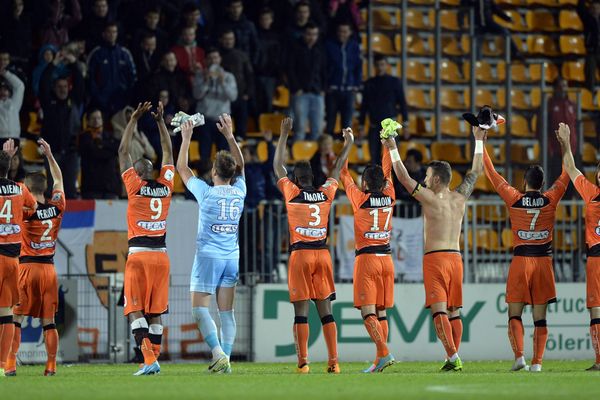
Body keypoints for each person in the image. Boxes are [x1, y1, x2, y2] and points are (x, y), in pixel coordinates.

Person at [383, 124, 485, 371]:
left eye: (427, 176)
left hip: (436, 259)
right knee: (454, 311)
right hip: (456, 259)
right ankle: (453, 356)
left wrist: (393, 146)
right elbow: (476, 171)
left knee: (439, 310)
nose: (425, 180)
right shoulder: (461, 197)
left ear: (437, 180)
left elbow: (404, 177)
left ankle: (452, 357)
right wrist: (479, 140)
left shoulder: (428, 197)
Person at [483, 125, 569, 373]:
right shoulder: (551, 198)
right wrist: (565, 144)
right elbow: (567, 173)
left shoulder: (514, 198)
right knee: (540, 318)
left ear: (524, 182)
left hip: (521, 261)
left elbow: (491, 173)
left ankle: (519, 356)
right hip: (543, 261)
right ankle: (538, 363)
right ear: (542, 184)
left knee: (514, 313)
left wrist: (482, 143)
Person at [273, 117, 353, 374]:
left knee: (301, 313)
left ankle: (303, 363)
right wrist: (348, 144)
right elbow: (338, 168)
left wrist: (284, 134)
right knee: (326, 312)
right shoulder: (326, 193)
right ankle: (334, 362)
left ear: (296, 178)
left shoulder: (292, 192)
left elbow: (277, 166)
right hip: (322, 255)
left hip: (301, 255)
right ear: (313, 177)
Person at [176, 114, 246, 374]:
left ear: (214, 172)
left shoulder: (205, 192)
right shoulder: (240, 190)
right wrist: (229, 136)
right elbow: (242, 165)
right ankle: (225, 361)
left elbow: (182, 169)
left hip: (208, 257)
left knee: (199, 309)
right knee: (227, 313)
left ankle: (218, 353)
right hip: (232, 257)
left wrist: (186, 138)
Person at [118, 101, 174, 376]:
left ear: (137, 173)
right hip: (161, 256)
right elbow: (169, 153)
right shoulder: (165, 186)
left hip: (139, 255)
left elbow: (122, 150)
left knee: (135, 310)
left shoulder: (134, 186)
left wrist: (134, 120)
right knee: (156, 312)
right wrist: (161, 122)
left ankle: (149, 359)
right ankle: (151, 361)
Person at [6, 139, 65, 377]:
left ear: (27, 190)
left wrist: (8, 160)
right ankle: (50, 366)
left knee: (14, 319)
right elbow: (59, 179)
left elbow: (7, 191)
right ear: (45, 188)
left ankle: (10, 364)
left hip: (26, 268)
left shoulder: (24, 209)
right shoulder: (57, 207)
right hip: (49, 270)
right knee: (48, 322)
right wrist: (50, 156)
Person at [340, 136, 396, 373]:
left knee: (367, 312)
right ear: (383, 184)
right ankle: (379, 358)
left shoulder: (359, 199)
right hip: (387, 259)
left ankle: (384, 353)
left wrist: (348, 144)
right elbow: (388, 169)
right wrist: (386, 144)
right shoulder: (390, 195)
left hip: (367, 260)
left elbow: (343, 173)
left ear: (364, 183)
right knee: (381, 311)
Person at [556, 122, 600, 371]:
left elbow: (572, 168)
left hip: (596, 260)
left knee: (596, 310)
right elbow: (570, 168)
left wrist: (566, 141)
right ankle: (599, 360)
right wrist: (566, 143)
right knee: (596, 310)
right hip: (595, 258)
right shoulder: (591, 193)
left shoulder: (592, 194)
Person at [0, 139, 36, 377]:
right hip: (12, 260)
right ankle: (4, 365)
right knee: (7, 313)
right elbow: (31, 208)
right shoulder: (20, 189)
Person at [39, 57, 84, 199]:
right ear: (54, 88)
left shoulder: (75, 101)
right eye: (59, 87)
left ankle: (71, 221)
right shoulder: (48, 102)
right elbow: (43, 83)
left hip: (71, 153)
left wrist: (73, 63)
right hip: (52, 153)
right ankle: (54, 219)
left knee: (70, 190)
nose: (62, 90)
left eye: (65, 87)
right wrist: (52, 64)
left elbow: (80, 84)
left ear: (69, 88)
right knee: (54, 190)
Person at [359, 54, 408, 162]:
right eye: (377, 65)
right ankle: (376, 179)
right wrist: (361, 125)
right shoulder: (369, 83)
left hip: (390, 127)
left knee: (394, 158)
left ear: (387, 66)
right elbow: (364, 106)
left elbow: (403, 103)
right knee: (374, 158)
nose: (380, 67)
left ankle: (392, 179)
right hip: (374, 126)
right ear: (374, 66)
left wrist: (405, 124)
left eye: (382, 65)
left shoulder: (395, 82)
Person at [192, 47, 238, 160]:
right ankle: (204, 175)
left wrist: (223, 83)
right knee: (204, 154)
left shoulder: (228, 76)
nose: (213, 61)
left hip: (223, 121)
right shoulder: (200, 75)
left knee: (223, 156)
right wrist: (206, 81)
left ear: (220, 59)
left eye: (215, 57)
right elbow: (197, 95)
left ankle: (222, 177)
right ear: (206, 60)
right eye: (210, 58)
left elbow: (233, 97)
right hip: (205, 120)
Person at [87, 22, 136, 116]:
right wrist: (98, 96)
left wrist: (127, 96)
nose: (112, 34)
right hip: (101, 102)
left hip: (122, 101)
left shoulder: (124, 53)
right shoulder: (96, 53)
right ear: (103, 34)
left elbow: (132, 77)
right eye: (109, 32)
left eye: (114, 32)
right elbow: (90, 77)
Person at [287, 23, 327, 141]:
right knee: (299, 129)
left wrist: (323, 89)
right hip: (301, 93)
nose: (311, 37)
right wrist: (296, 88)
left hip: (317, 93)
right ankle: (299, 158)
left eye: (314, 34)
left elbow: (325, 70)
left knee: (317, 130)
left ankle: (316, 159)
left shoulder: (320, 49)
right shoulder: (295, 48)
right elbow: (290, 69)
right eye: (309, 34)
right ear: (304, 34)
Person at [541, 78, 580, 187]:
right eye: (561, 86)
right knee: (557, 184)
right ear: (555, 88)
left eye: (565, 85)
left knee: (574, 185)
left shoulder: (571, 104)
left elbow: (576, 127)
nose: (563, 88)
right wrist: (549, 148)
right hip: (556, 152)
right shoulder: (549, 105)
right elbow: (544, 128)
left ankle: (570, 204)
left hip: (572, 150)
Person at [325, 22, 361, 136]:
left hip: (348, 91)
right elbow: (324, 67)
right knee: (330, 121)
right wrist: (327, 84)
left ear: (350, 32)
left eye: (345, 31)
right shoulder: (329, 45)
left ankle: (345, 151)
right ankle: (328, 150)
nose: (342, 34)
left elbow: (358, 66)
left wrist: (356, 85)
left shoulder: (354, 46)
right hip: (333, 90)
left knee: (347, 125)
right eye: (340, 31)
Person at [219, 29, 254, 139]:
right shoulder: (217, 56)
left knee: (241, 128)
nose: (228, 41)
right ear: (221, 40)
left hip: (240, 96)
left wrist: (248, 93)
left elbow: (249, 76)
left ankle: (240, 145)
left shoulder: (242, 55)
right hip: (222, 99)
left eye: (231, 39)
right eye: (226, 39)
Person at [78, 109, 120, 199]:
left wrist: (101, 144)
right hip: (91, 189)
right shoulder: (84, 137)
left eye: (98, 118)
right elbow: (94, 153)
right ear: (88, 121)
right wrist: (108, 151)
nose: (96, 120)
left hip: (110, 188)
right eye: (93, 118)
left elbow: (117, 149)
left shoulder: (109, 136)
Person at [255, 7, 281, 115]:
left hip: (271, 75)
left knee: (269, 102)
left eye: (267, 19)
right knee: (257, 102)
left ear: (271, 20)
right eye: (263, 19)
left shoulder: (277, 37)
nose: (265, 21)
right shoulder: (255, 35)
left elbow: (279, 56)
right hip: (257, 73)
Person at [224, 0, 259, 66]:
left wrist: (253, 63)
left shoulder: (249, 25)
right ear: (228, 8)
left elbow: (256, 46)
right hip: (228, 62)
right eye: (233, 7)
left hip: (246, 62)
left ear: (242, 8)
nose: (236, 10)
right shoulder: (223, 25)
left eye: (238, 6)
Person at [577, 0, 600, 90]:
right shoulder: (587, 19)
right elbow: (580, 8)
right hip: (591, 52)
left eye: (597, 8)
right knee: (590, 74)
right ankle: (589, 95)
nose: (595, 10)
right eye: (593, 8)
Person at [0, 69, 24, 142]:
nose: (3, 92)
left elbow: (20, 86)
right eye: (0, 90)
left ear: (10, 92)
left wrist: (5, 73)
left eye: (5, 90)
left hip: (14, 138)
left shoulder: (15, 103)